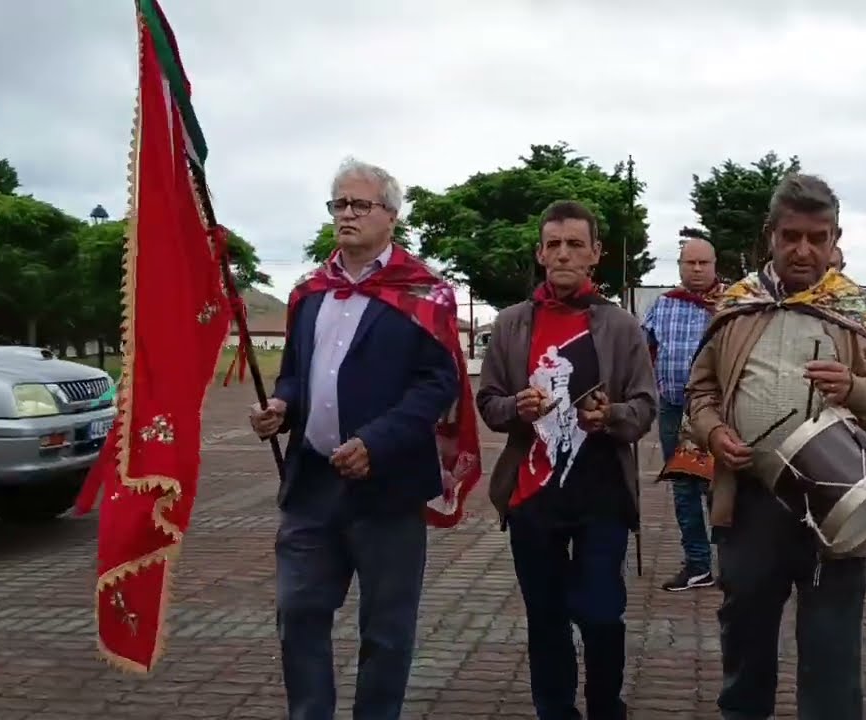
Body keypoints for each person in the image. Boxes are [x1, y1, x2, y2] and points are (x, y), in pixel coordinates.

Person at [250, 158, 477, 720]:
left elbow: (438, 383)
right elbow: (295, 373)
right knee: (298, 613)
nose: (346, 214)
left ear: (391, 216)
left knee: (386, 630)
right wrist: (281, 405)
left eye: (360, 204)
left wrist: (375, 441)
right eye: (339, 204)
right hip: (311, 485)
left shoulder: (424, 293)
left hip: (389, 488)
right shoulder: (310, 291)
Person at [685, 173, 866, 720]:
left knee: (831, 649)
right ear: (771, 235)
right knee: (745, 635)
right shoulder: (738, 305)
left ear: (835, 239)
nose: (803, 250)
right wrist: (713, 432)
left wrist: (853, 387)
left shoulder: (854, 312)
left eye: (817, 237)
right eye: (791, 236)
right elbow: (700, 391)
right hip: (752, 503)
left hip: (838, 505)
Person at [478, 200, 657, 720]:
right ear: (539, 253)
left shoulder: (621, 326)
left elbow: (645, 407)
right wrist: (516, 407)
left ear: (595, 253)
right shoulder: (511, 325)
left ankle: (605, 707)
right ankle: (554, 710)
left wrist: (611, 415)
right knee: (546, 618)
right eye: (553, 245)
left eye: (575, 244)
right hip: (532, 496)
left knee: (601, 614)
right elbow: (488, 403)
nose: (563, 254)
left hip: (602, 495)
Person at [642, 237, 723, 591]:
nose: (697, 269)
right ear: (679, 266)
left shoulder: (731, 305)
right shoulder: (663, 304)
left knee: (720, 486)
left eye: (704, 263)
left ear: (715, 265)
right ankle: (698, 564)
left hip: (718, 412)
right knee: (683, 488)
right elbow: (643, 349)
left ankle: (733, 564)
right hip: (673, 409)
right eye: (690, 263)